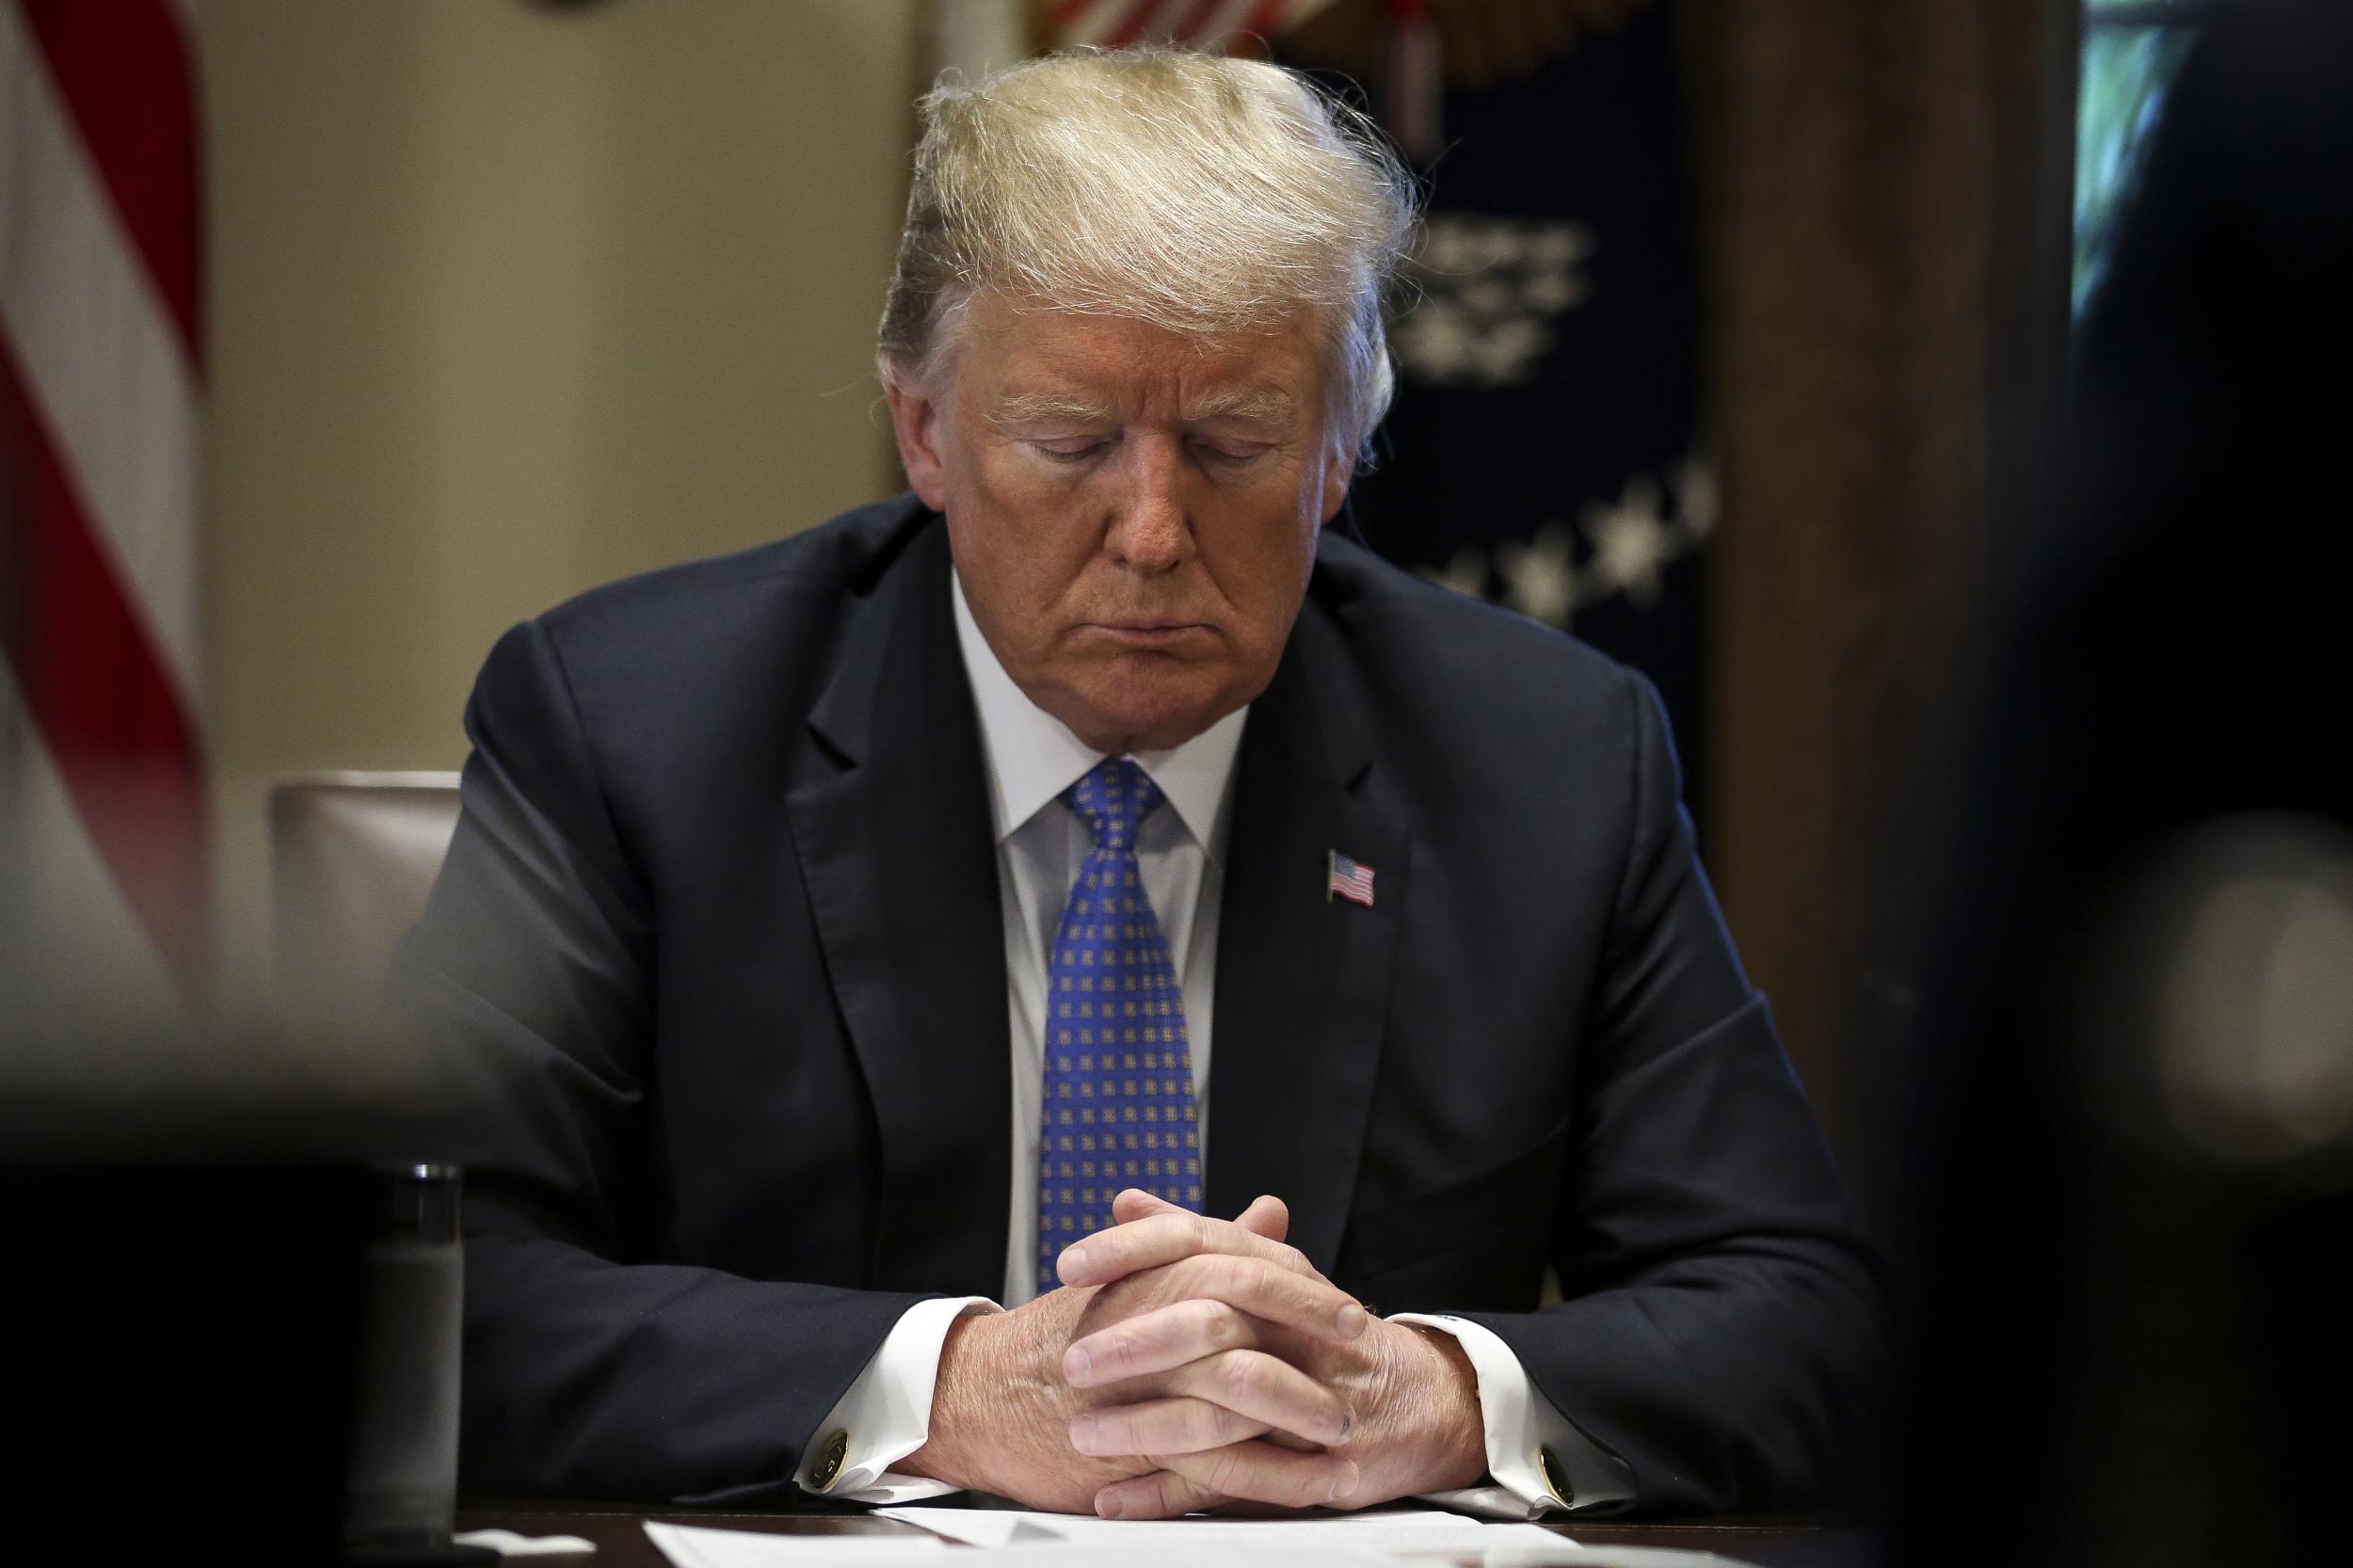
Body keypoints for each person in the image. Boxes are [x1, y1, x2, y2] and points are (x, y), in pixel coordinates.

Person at [391, 47, 1880, 1520]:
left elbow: (1806, 1324)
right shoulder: (635, 731)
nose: (1154, 530)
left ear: (1343, 448)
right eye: (1070, 441)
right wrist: (950, 1385)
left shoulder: (1548, 763)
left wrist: (1425, 1393)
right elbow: (429, 1292)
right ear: (923, 428)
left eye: (1238, 444)